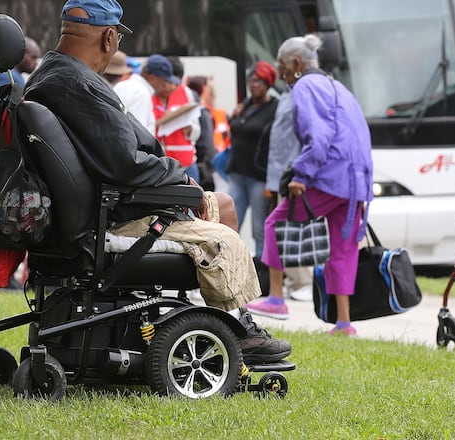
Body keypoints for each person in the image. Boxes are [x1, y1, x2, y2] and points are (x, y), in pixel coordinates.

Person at [23, 0, 291, 365]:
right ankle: (237, 326)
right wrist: (183, 182)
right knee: (222, 221)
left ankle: (236, 319)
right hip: (117, 216)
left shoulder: (46, 77)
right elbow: (127, 164)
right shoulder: (78, 84)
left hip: (90, 212)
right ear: (109, 37)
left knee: (219, 202)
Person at [246, 35, 374, 335]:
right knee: (343, 249)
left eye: (282, 67)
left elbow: (319, 137)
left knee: (274, 225)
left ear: (296, 64)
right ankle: (344, 323)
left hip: (329, 176)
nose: (281, 75)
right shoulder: (338, 86)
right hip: (357, 181)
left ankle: (276, 298)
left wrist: (301, 175)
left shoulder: (305, 87)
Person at [226, 61, 279, 258]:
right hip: (238, 174)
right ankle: (229, 265)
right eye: (252, 80)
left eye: (259, 81)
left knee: (260, 228)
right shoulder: (245, 106)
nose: (254, 84)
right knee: (230, 225)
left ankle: (261, 272)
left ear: (268, 83)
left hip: (259, 176)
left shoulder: (275, 108)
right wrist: (233, 117)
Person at [264, 88, 313, 301]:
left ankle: (303, 282)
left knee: (292, 228)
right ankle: (292, 282)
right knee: (282, 228)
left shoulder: (303, 93)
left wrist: (300, 174)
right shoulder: (286, 94)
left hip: (295, 173)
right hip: (282, 173)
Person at [153, 56, 201, 182]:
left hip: (187, 164)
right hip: (161, 166)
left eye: (176, 82)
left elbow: (197, 130)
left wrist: (190, 129)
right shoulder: (149, 94)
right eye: (169, 81)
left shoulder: (186, 93)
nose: (172, 86)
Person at [114, 54, 180, 136]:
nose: (163, 85)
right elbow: (138, 133)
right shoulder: (142, 93)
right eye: (163, 81)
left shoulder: (121, 85)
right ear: (152, 77)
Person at [186, 75, 217, 191]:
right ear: (203, 89)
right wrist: (208, 163)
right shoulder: (202, 112)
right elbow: (206, 143)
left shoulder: (192, 109)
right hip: (201, 165)